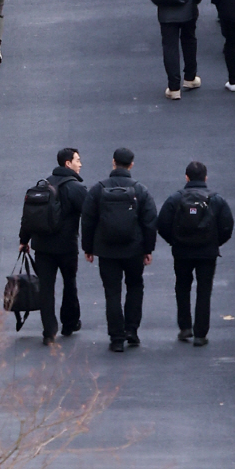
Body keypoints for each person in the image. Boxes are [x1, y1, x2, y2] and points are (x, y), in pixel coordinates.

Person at [80, 146, 157, 352]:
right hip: (133, 249)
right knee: (134, 287)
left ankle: (116, 337)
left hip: (107, 251)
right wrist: (148, 249)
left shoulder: (98, 189)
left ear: (113, 162)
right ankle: (131, 330)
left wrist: (88, 247)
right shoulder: (140, 190)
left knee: (112, 292)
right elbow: (149, 221)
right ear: (131, 165)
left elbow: (87, 220)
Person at [157, 159, 234, 347]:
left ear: (186, 177)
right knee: (204, 289)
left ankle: (185, 327)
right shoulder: (216, 199)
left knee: (182, 286)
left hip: (182, 251)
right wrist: (215, 243)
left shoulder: (175, 199)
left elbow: (162, 224)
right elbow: (227, 225)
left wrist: (174, 241)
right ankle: (201, 333)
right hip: (207, 252)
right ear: (206, 178)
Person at [17, 147, 86, 343]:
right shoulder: (75, 188)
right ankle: (70, 322)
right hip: (67, 247)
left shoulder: (43, 186)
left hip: (43, 248)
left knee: (46, 288)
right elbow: (89, 213)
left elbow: (28, 217)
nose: (80, 164)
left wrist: (24, 241)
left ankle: (49, 330)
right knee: (69, 283)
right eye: (77, 160)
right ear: (68, 163)